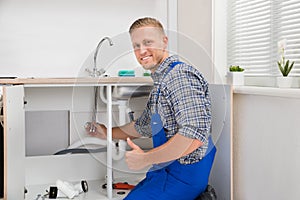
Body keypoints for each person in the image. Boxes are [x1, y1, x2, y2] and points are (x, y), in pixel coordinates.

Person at [86, 17, 216, 200]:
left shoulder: (179, 76)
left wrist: (145, 158)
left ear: (164, 41)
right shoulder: (161, 81)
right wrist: (106, 132)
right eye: (136, 45)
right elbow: (144, 126)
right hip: (164, 172)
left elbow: (194, 136)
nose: (142, 51)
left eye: (148, 42)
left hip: (183, 178)